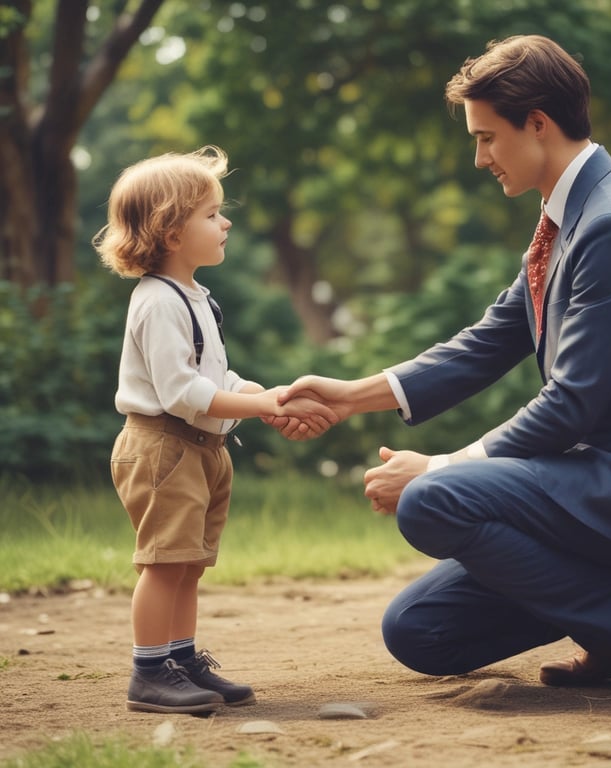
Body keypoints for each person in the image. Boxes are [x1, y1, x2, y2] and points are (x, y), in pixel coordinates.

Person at [278, 35, 611, 711]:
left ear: (537, 123)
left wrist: (438, 468)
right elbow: (487, 341)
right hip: (586, 480)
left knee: (430, 501)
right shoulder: (569, 218)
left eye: (487, 138)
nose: (480, 158)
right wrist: (351, 397)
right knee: (419, 630)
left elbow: (571, 403)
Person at [93, 146, 337, 714]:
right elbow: (180, 393)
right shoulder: (158, 301)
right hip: (163, 448)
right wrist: (257, 406)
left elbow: (213, 376)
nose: (225, 223)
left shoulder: (195, 297)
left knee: (188, 564)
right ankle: (149, 672)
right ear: (171, 232)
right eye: (211, 214)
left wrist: (265, 398)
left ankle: (181, 661)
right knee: (164, 564)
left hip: (201, 448)